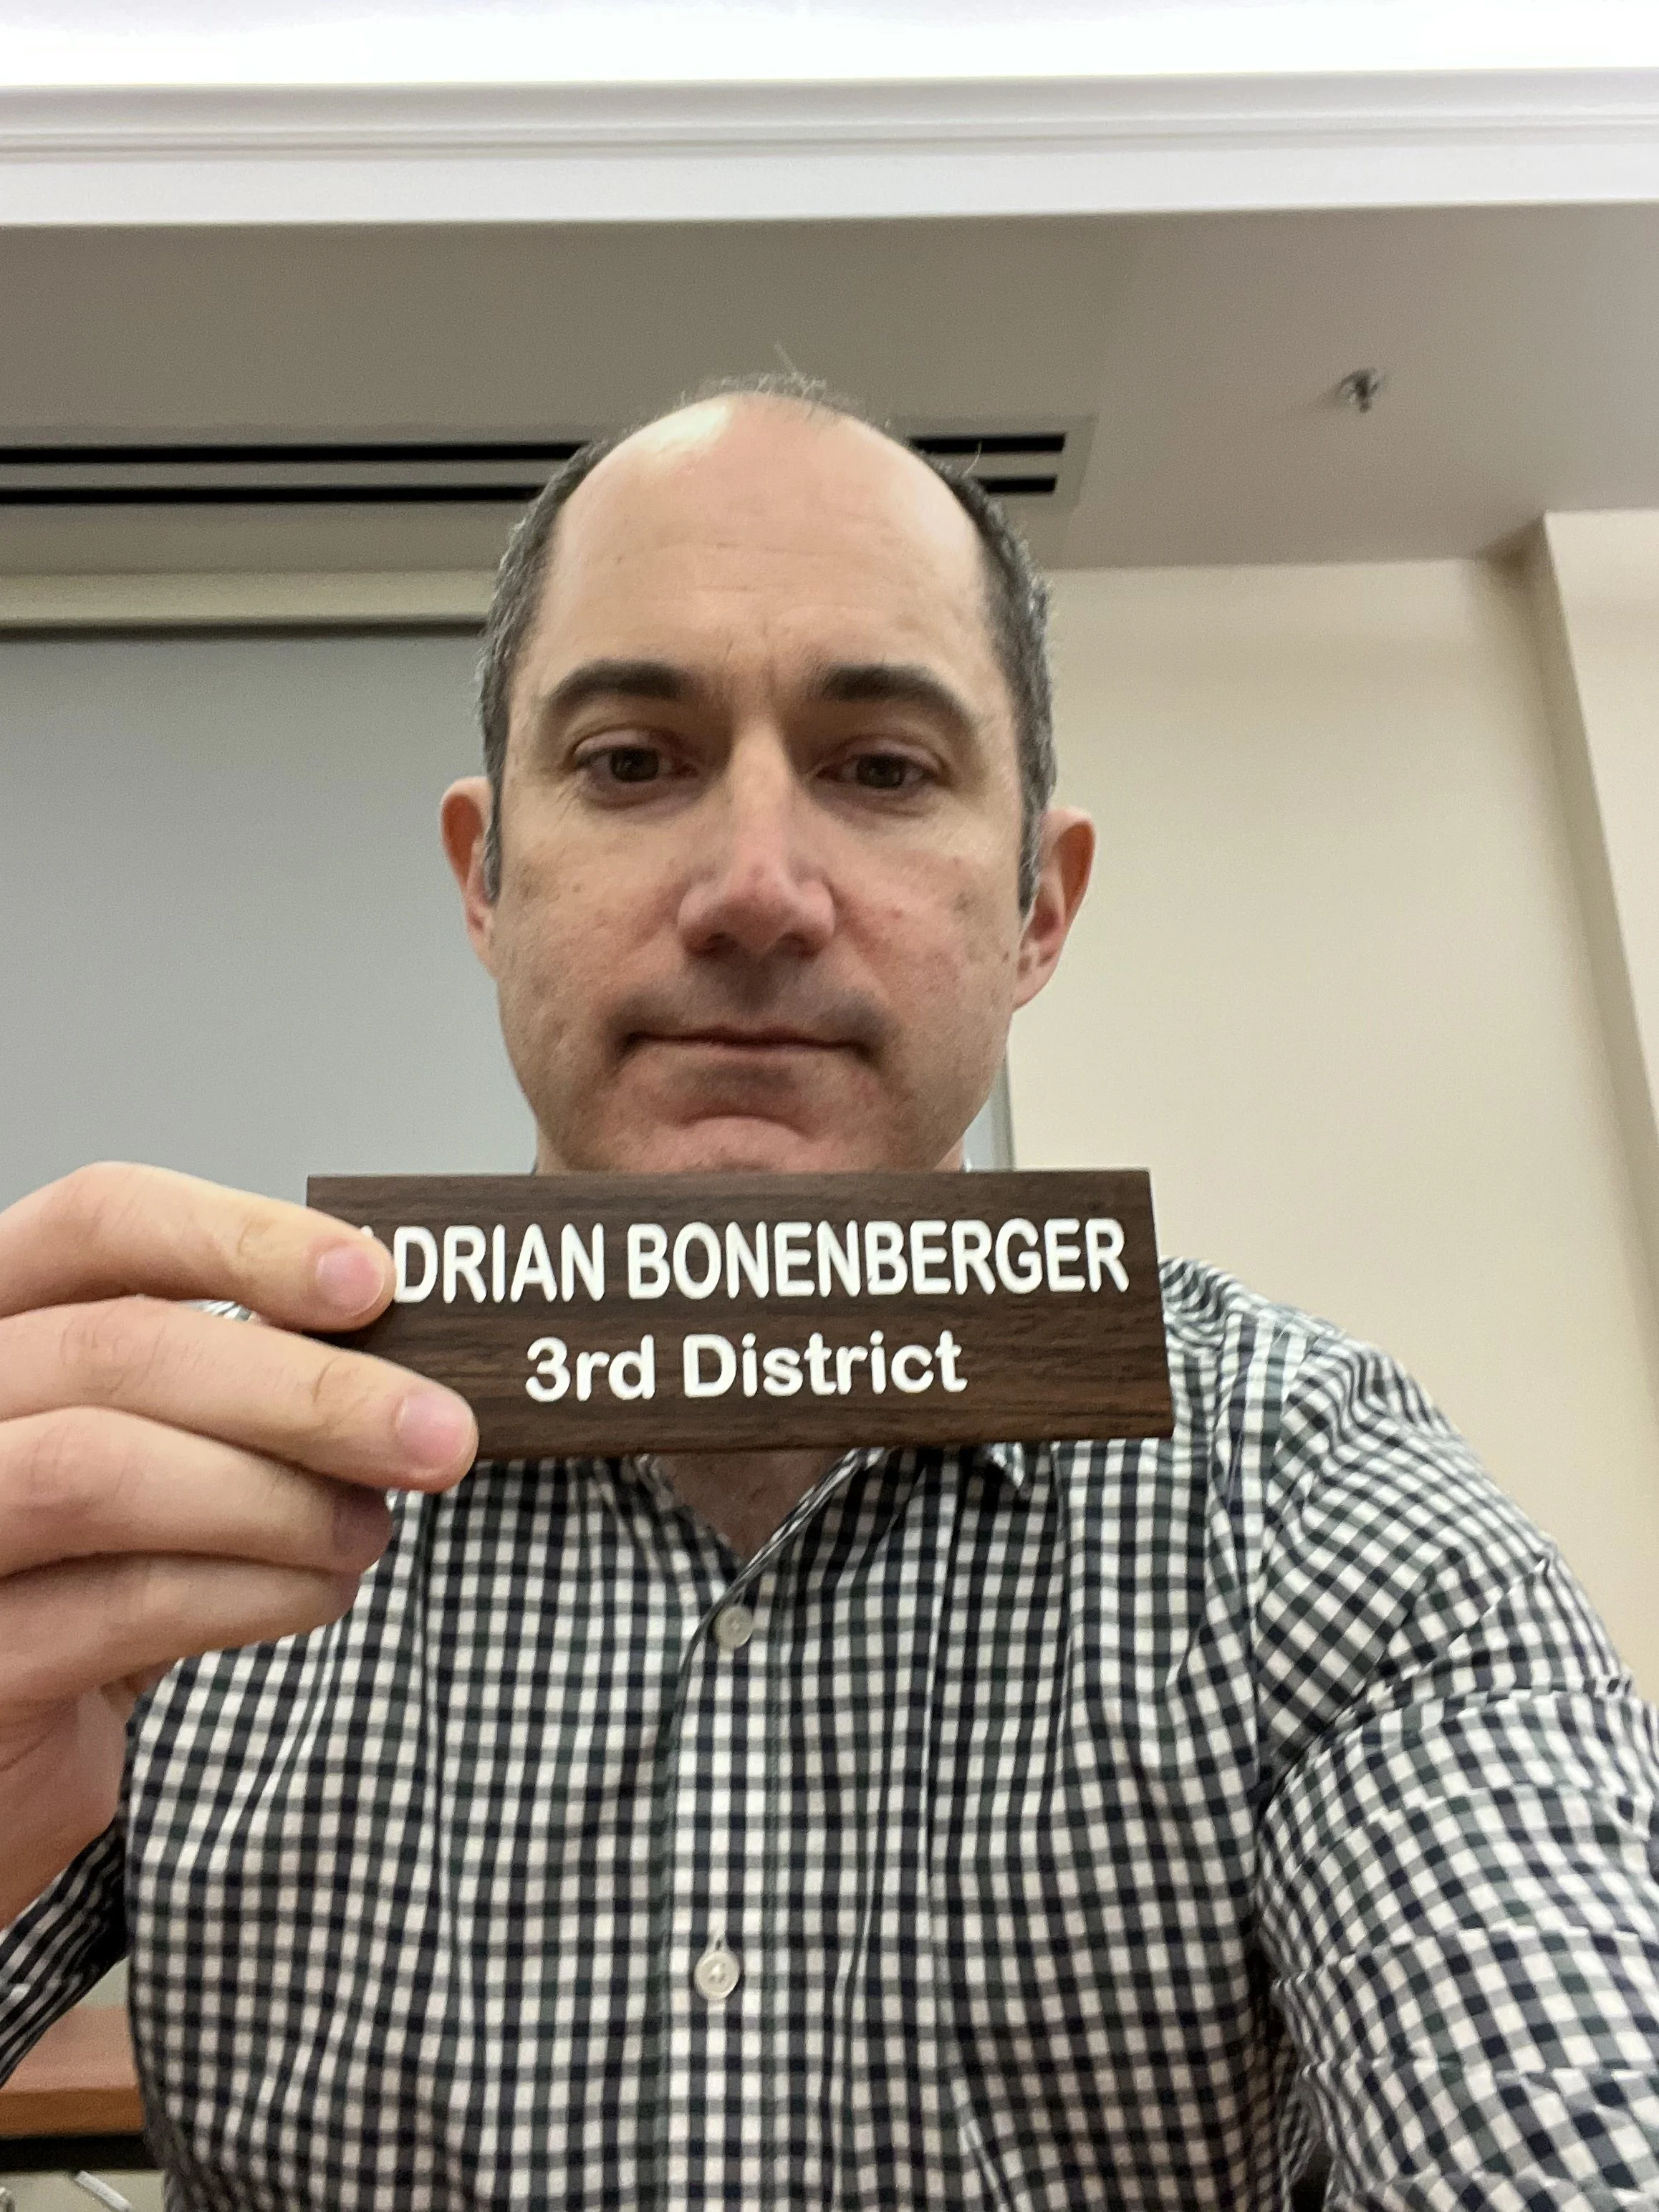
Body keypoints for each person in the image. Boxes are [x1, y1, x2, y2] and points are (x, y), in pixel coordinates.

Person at [1, 376, 1655, 2211]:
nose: (756, 890)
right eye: (631, 760)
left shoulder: (1309, 1495)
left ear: (1037, 908)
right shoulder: (166, 1482)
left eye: (882, 769)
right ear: (488, 882)